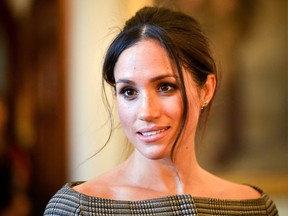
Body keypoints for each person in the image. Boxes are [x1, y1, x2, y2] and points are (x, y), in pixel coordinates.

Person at [44, 6, 278, 215]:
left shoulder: (256, 207)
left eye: (165, 87)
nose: (146, 112)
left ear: (206, 90)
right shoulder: (77, 208)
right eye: (128, 91)